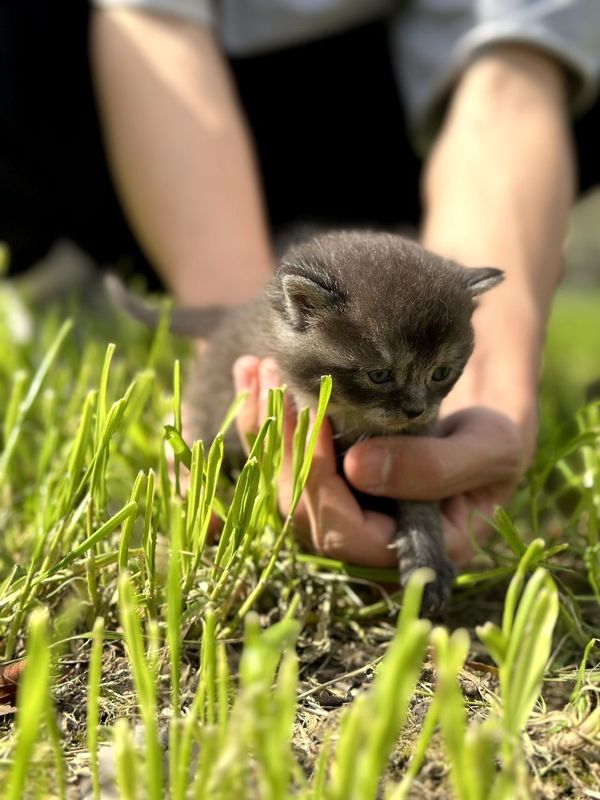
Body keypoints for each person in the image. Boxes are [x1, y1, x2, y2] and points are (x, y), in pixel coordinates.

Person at [2, 2, 600, 568]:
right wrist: (239, 364)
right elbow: (152, 24)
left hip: (392, 123)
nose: (418, 406)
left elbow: (514, 79)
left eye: (439, 377)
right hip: (148, 113)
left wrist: (500, 385)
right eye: (384, 379)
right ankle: (67, 282)